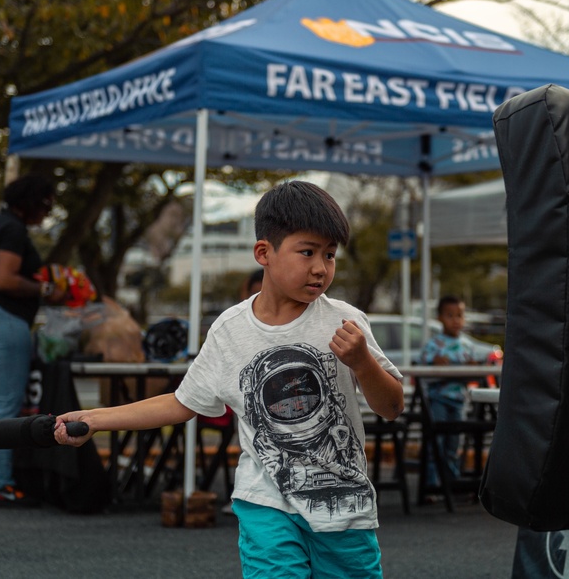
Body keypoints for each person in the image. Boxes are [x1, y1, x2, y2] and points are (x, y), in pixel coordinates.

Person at [55, 180, 405, 578]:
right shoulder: (230, 330)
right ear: (264, 253)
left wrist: (362, 363)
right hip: (265, 502)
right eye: (307, 251)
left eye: (330, 255)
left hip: (343, 506)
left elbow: (392, 407)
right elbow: (180, 402)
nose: (320, 268)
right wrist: (97, 420)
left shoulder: (345, 321)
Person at [0, 173, 67, 508]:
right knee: (5, 406)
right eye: (46, 204)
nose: (47, 212)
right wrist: (45, 289)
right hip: (5, 319)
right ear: (31, 201)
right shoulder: (13, 229)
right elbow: (5, 279)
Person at [418, 294, 478, 491]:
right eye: (450, 315)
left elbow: (474, 375)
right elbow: (422, 370)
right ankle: (432, 485)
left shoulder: (468, 345)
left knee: (454, 444)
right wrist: (434, 364)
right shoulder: (434, 345)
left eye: (459, 315)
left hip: (460, 400)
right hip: (439, 400)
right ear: (440, 318)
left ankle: (452, 483)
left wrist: (471, 368)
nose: (456, 320)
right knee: (436, 442)